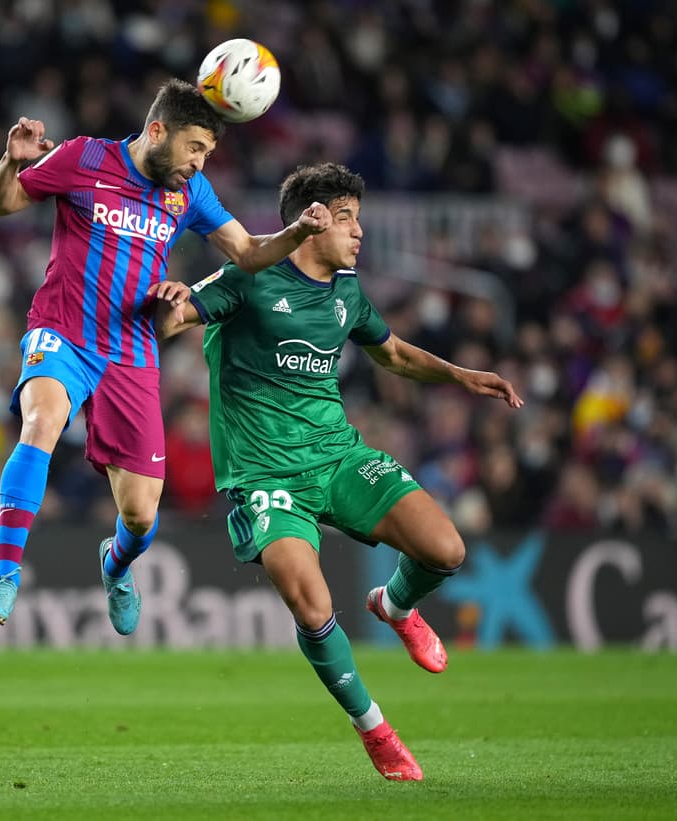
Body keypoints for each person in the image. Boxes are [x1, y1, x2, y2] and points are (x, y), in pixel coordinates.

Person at [155, 163, 523, 781]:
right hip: (265, 475)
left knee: (446, 549)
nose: (360, 231)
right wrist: (167, 298)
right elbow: (176, 318)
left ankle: (396, 606)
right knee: (311, 601)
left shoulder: (346, 291)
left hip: (338, 458)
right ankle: (375, 729)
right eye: (347, 217)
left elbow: (395, 354)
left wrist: (460, 376)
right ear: (313, 219)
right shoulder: (250, 277)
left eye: (359, 216)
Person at [0, 79, 331, 635]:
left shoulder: (190, 194)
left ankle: (115, 565)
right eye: (194, 148)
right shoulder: (84, 157)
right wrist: (9, 161)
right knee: (40, 422)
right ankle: (4, 574)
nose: (199, 162)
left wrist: (296, 231)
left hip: (131, 352)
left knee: (139, 515)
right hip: (62, 332)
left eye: (207, 153)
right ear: (157, 130)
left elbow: (249, 253)